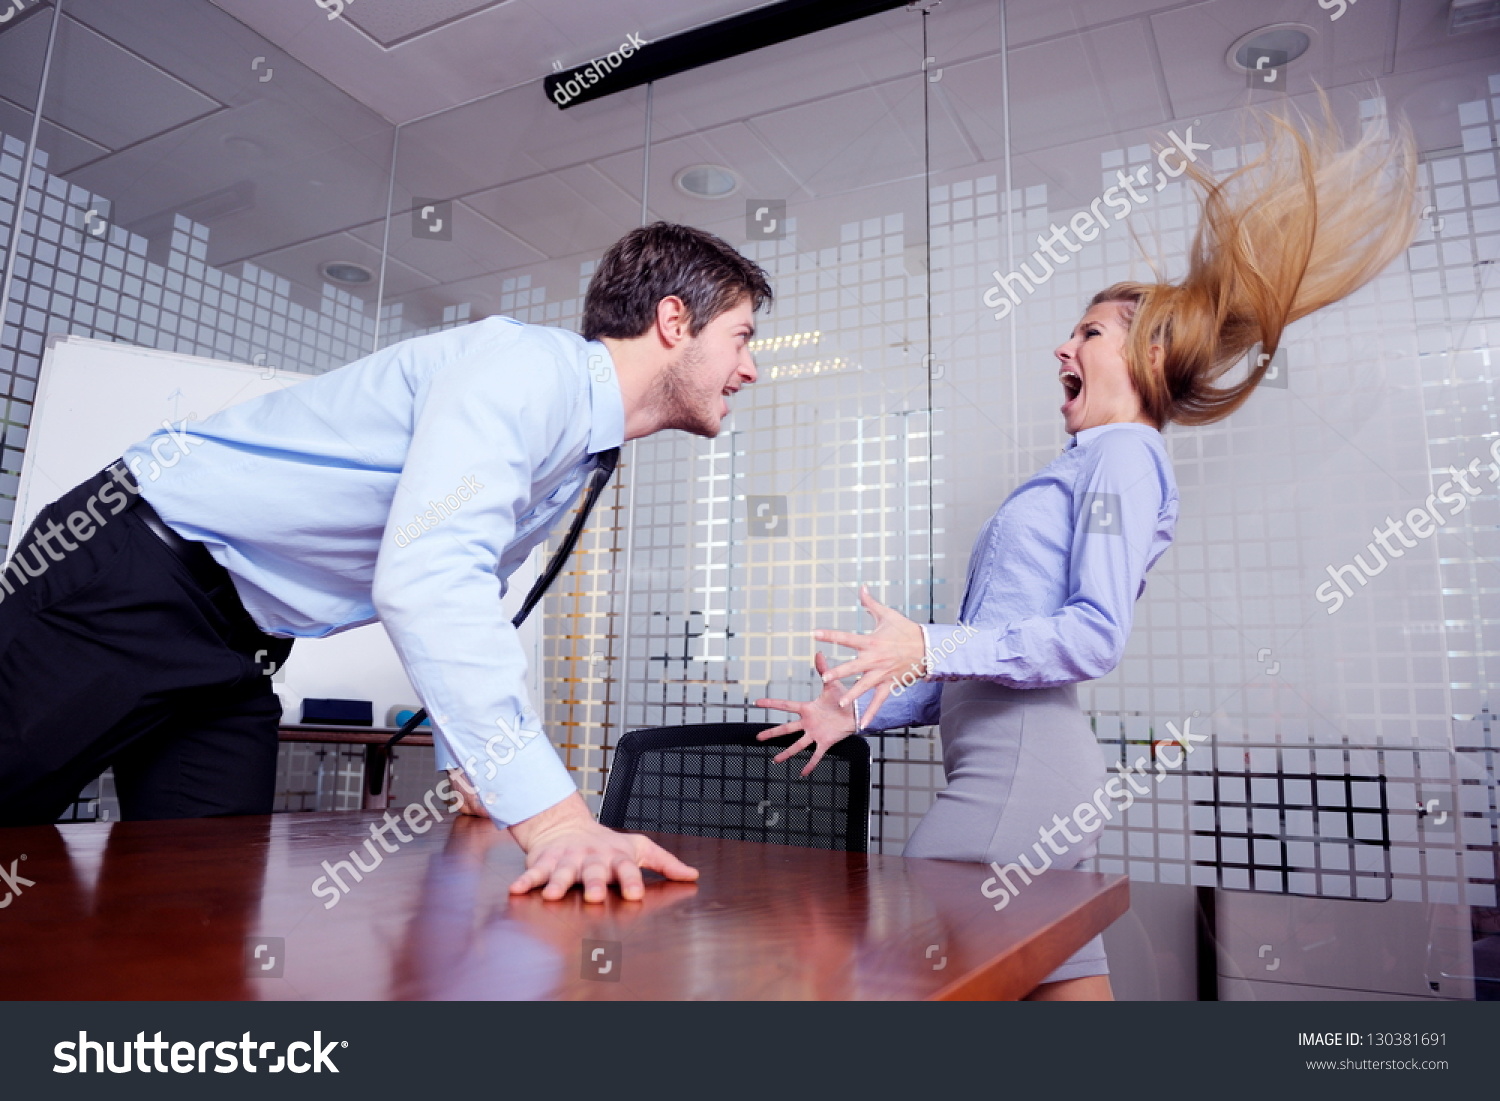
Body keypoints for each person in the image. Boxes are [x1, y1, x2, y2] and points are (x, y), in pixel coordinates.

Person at [755, 99, 1419, 999]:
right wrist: (864, 709)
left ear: (1148, 354)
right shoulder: (1095, 465)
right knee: (1060, 988)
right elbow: (984, 665)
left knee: (893, 980)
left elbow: (1094, 635)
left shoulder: (1124, 459)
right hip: (1024, 769)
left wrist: (930, 642)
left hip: (1022, 776)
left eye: (1089, 332)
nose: (1062, 347)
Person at [0, 222, 772, 904]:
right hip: (127, 574)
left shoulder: (577, 443)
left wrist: (475, 764)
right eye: (741, 336)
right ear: (675, 320)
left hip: (234, 643)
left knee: (197, 898)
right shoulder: (530, 373)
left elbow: (473, 593)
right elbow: (427, 578)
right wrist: (557, 819)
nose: (751, 368)